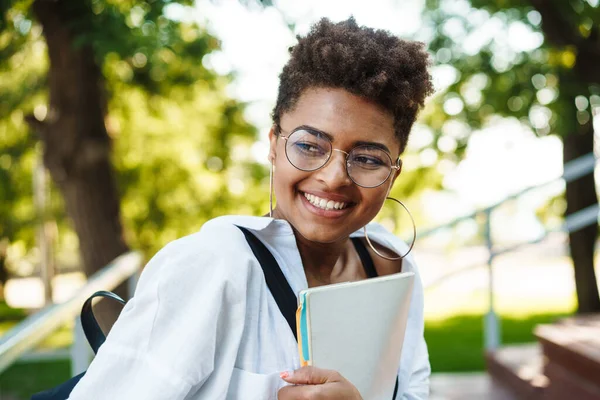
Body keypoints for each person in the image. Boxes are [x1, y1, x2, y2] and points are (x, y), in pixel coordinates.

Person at [68, 17, 433, 400]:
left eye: (368, 158)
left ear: (394, 173)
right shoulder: (213, 266)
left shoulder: (393, 267)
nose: (334, 177)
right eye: (310, 146)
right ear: (274, 144)